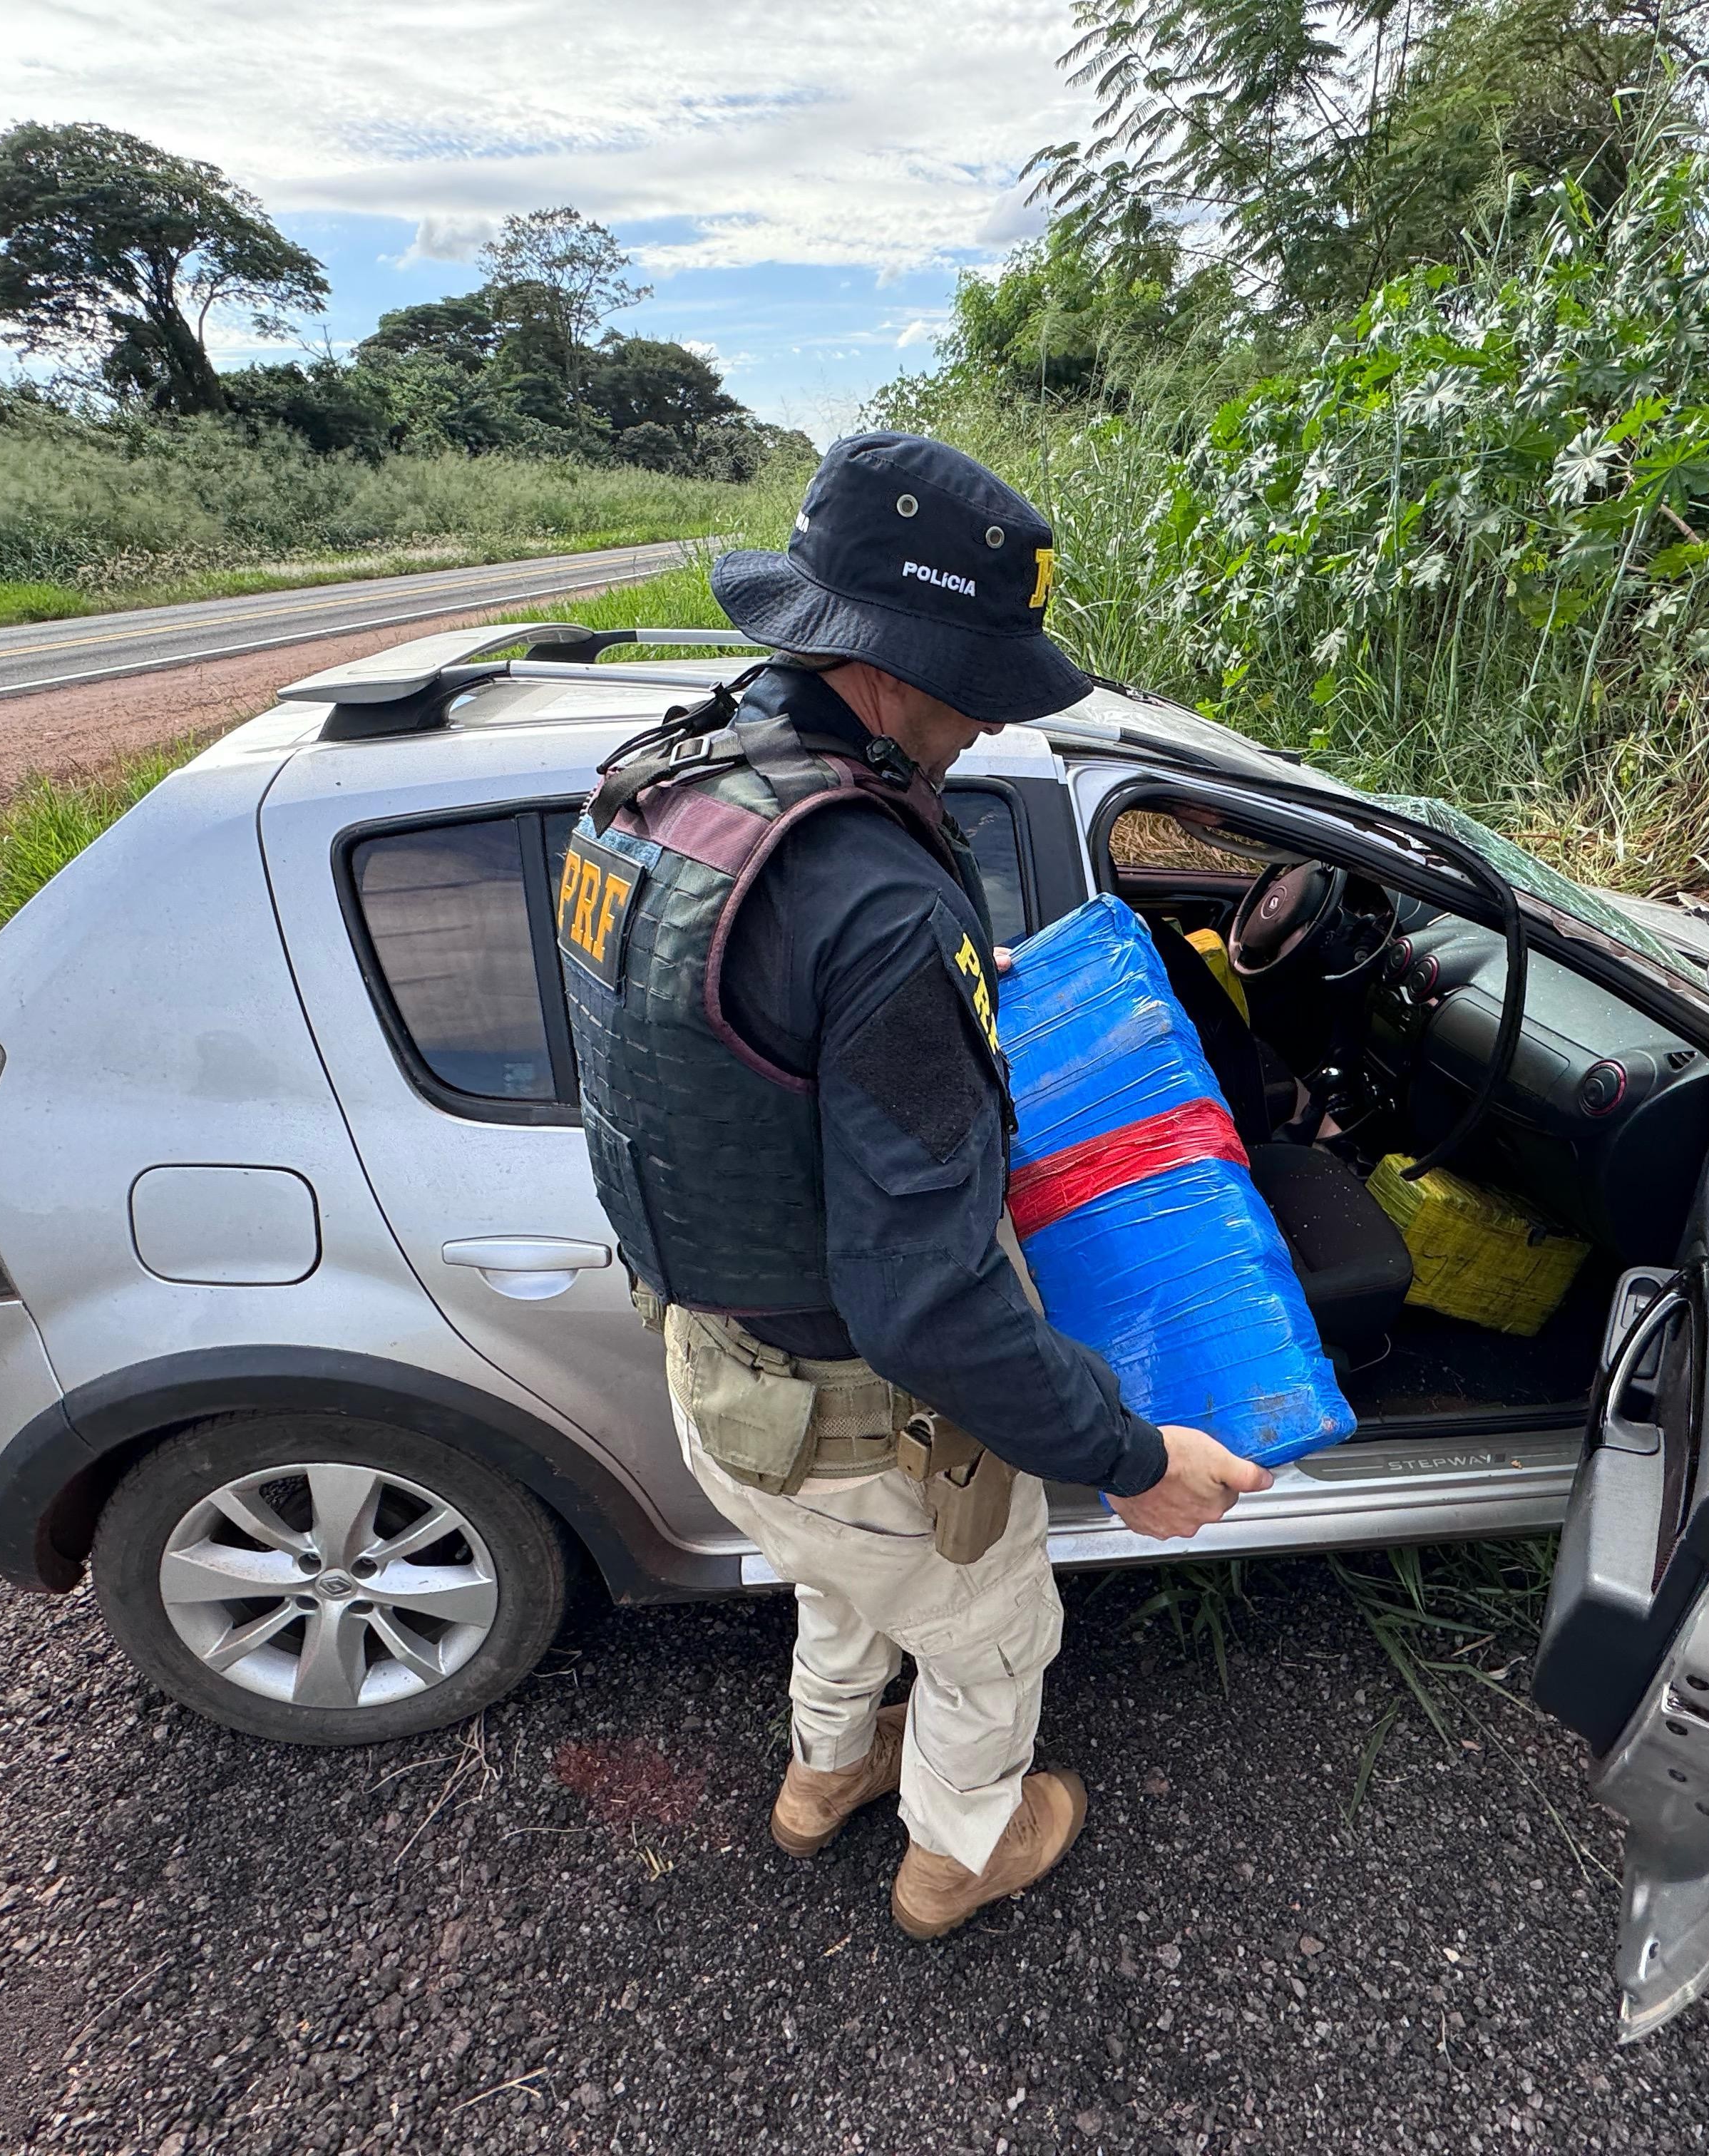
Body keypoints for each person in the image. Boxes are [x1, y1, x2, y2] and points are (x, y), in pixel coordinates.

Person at [558, 431, 1273, 1939]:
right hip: (863, 1417)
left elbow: (717, 1043)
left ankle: (822, 1780)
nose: (983, 724)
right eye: (978, 683)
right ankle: (961, 1854)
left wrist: (917, 1019)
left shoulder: (666, 782)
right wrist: (1135, 1460)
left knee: (837, 1590)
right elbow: (928, 1301)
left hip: (719, 1374)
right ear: (893, 666)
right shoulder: (873, 894)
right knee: (992, 1639)